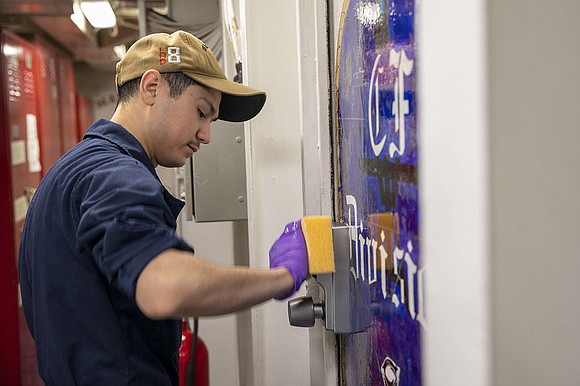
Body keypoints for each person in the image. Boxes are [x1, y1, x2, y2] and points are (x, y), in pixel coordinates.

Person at [18, 30, 308, 386]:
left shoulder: (70, 170)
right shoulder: (115, 175)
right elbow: (165, 287)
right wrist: (283, 277)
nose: (206, 135)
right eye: (201, 112)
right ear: (152, 87)